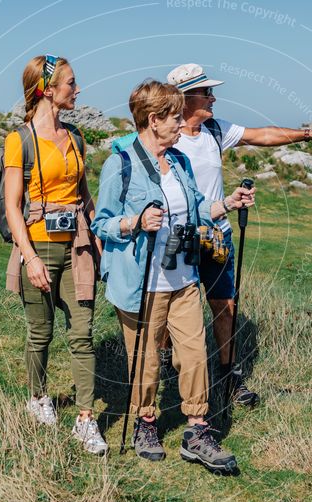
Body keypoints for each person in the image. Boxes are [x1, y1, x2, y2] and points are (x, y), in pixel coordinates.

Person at [91, 80, 255, 472]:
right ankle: (145, 423)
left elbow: (198, 210)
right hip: (142, 283)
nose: (182, 124)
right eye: (175, 117)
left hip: (183, 280)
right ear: (153, 119)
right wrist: (135, 221)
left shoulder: (179, 162)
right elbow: (102, 223)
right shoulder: (122, 164)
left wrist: (229, 203)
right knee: (146, 362)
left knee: (195, 356)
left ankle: (197, 431)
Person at [166, 63, 312, 407]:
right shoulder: (167, 136)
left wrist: (310, 135)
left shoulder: (215, 130)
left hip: (219, 236)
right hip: (183, 239)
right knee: (174, 308)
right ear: (184, 97)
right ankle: (168, 366)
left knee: (225, 307)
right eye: (206, 92)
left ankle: (228, 378)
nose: (213, 97)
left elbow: (262, 136)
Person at [4, 54, 107, 455]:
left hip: (78, 244)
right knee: (41, 332)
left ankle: (86, 419)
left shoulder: (77, 137)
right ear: (47, 90)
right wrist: (29, 258)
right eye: (70, 83)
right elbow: (13, 205)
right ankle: (38, 397)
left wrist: (98, 240)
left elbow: (85, 196)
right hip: (39, 244)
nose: (77, 90)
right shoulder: (20, 140)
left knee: (82, 333)